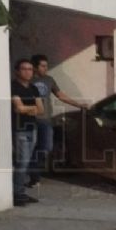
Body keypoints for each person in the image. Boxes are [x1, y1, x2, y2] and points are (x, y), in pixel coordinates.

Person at [29, 55, 88, 187]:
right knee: (30, 148)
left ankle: (34, 169)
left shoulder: (49, 80)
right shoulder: (28, 80)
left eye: (46, 65)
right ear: (35, 67)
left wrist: (78, 104)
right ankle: (34, 177)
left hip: (45, 119)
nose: (46, 68)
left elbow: (60, 95)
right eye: (42, 66)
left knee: (46, 147)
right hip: (30, 119)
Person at [12, 59, 44, 206]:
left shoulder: (33, 88)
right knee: (22, 163)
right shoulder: (14, 87)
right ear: (17, 71)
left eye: (30, 69)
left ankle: (21, 192)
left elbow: (41, 110)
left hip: (33, 128)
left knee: (27, 162)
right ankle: (17, 194)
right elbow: (18, 108)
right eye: (24, 69)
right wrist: (32, 109)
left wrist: (28, 109)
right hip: (20, 129)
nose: (28, 72)